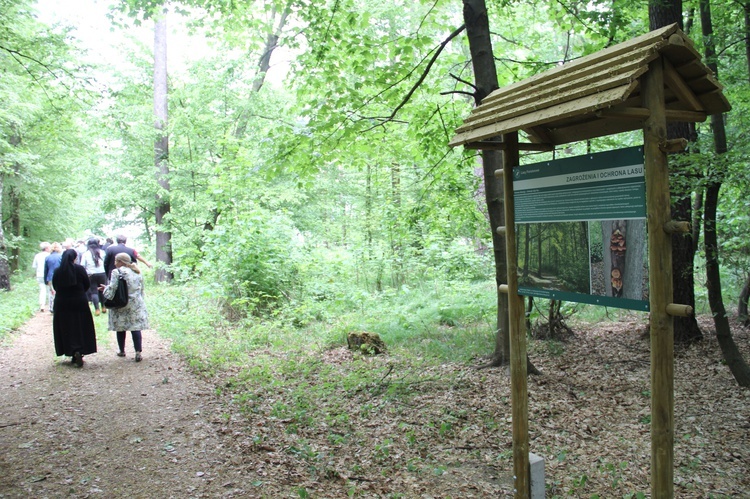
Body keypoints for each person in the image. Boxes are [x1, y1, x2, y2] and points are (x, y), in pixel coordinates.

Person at [51, 249, 97, 367]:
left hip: (62, 302)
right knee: (80, 325)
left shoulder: (57, 271)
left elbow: (55, 286)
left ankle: (70, 350)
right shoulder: (80, 269)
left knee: (66, 326)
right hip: (79, 301)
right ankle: (80, 350)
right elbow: (87, 284)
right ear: (74, 258)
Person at [100, 252, 149, 362]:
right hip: (136, 303)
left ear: (121, 262)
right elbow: (141, 289)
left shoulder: (116, 272)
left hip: (121, 303)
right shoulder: (137, 271)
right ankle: (138, 352)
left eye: (116, 260)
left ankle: (122, 350)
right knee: (135, 327)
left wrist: (105, 291)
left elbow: (113, 288)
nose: (114, 263)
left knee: (120, 327)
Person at [81, 238, 107, 316]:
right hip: (102, 273)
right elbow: (106, 262)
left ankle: (97, 309)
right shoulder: (102, 252)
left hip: (91, 274)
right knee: (102, 290)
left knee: (94, 291)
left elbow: (82, 265)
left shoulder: (86, 254)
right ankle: (104, 307)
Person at [32, 242, 51, 312]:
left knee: (42, 290)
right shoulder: (49, 255)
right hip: (48, 275)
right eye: (49, 247)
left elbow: (34, 266)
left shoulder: (37, 256)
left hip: (40, 275)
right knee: (50, 290)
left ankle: (42, 305)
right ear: (46, 248)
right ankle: (50, 306)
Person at [44, 243, 63, 313]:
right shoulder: (61, 257)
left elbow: (46, 270)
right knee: (60, 292)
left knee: (51, 293)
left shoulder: (47, 258)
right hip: (60, 277)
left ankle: (52, 308)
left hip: (50, 277)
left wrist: (45, 280)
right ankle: (59, 306)